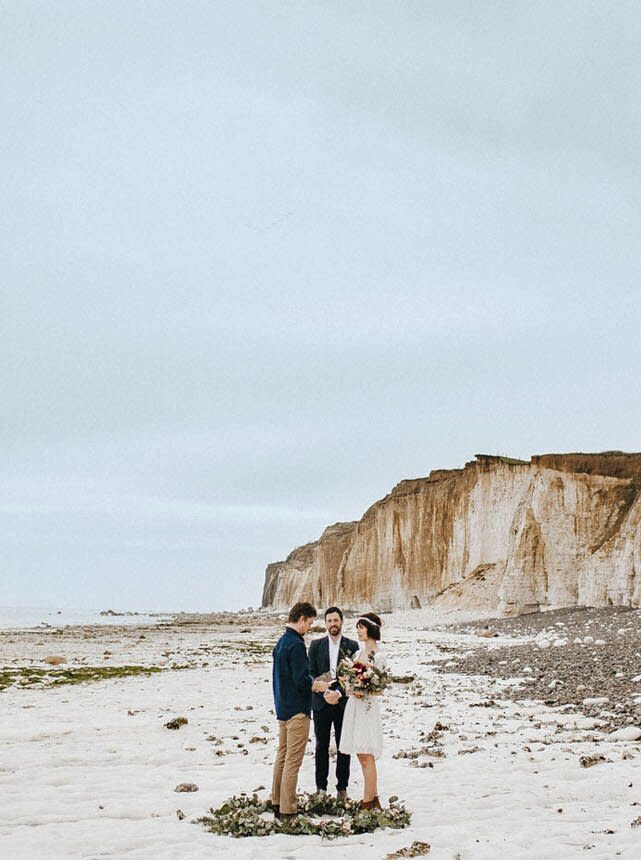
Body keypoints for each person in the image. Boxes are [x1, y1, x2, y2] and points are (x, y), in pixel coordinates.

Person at [271, 601, 329, 820]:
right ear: (302, 618)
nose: (309, 627)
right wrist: (320, 685)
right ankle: (288, 809)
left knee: (282, 755)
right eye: (310, 622)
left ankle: (277, 802)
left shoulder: (281, 642)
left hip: (283, 707)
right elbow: (301, 680)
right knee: (293, 760)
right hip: (297, 709)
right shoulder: (295, 644)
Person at [308, 606, 359, 798]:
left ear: (341, 622)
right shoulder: (315, 645)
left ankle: (342, 788)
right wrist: (324, 691)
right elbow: (311, 673)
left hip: (342, 702)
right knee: (321, 745)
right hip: (321, 702)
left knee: (343, 745)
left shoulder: (352, 646)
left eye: (335, 621)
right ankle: (320, 787)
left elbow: (352, 675)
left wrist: (337, 692)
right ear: (325, 623)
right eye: (329, 621)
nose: (332, 624)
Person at [338, 611, 387, 810]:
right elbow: (351, 681)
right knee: (360, 753)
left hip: (367, 708)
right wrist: (350, 686)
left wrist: (364, 689)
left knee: (367, 753)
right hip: (355, 707)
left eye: (361, 627)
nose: (357, 631)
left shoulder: (380, 656)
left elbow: (380, 688)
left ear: (371, 629)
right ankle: (373, 798)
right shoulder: (359, 654)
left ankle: (368, 802)